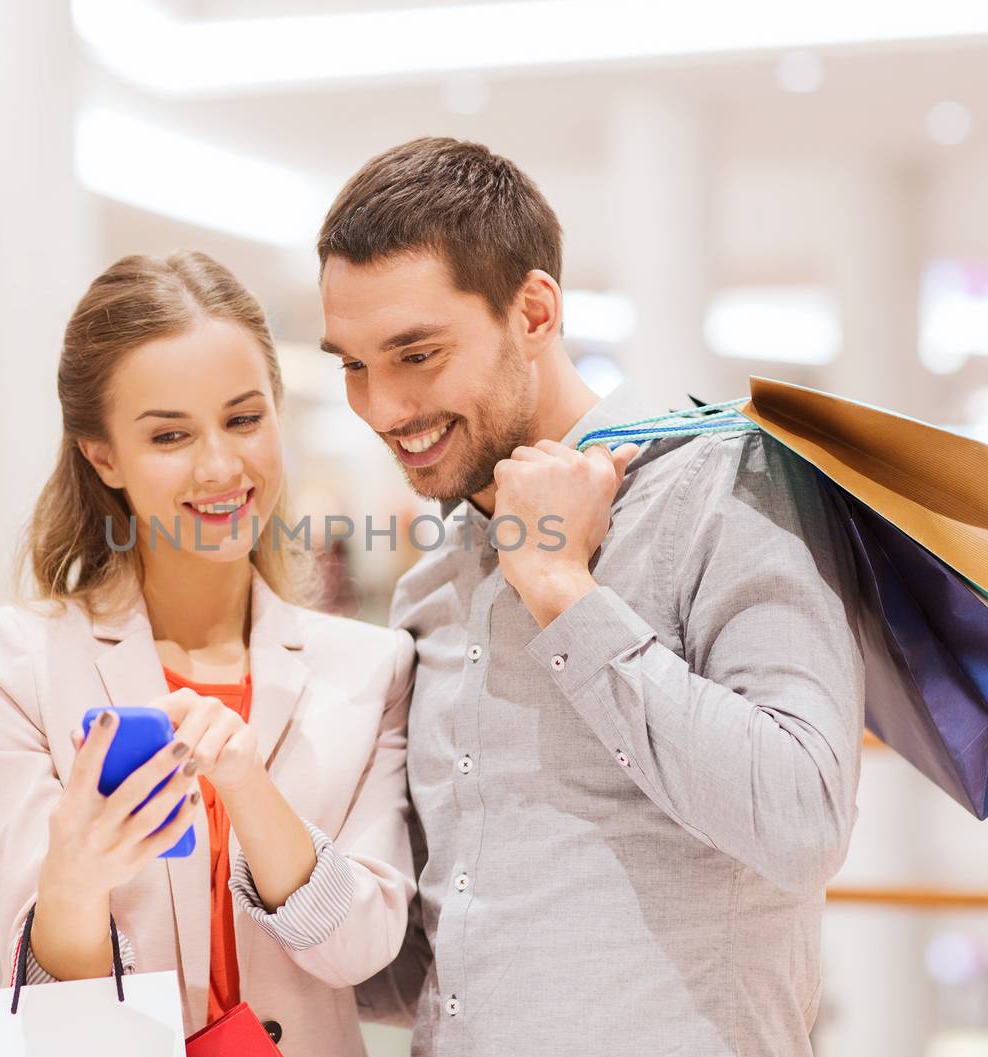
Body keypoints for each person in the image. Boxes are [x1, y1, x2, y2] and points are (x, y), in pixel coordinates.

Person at [320, 138, 865, 1056]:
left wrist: (565, 593)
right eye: (353, 365)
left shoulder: (731, 490)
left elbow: (803, 819)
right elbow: (424, 968)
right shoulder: (428, 592)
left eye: (416, 353)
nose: (382, 406)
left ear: (534, 311)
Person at [0, 252, 416, 1057]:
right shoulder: (14, 664)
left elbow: (361, 948)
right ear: (102, 454)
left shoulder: (370, 670)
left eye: (243, 419)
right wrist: (76, 877)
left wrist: (248, 785)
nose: (221, 467)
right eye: (169, 434)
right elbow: (50, 1005)